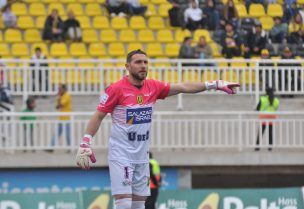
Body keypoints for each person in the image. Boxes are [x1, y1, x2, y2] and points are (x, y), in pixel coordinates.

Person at [75, 49, 240, 209]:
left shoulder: (153, 87)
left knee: (139, 204)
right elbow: (98, 115)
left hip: (142, 156)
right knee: (124, 203)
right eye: (138, 62)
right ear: (127, 66)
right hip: (121, 154)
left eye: (146, 62)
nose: (143, 66)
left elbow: (183, 86)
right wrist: (85, 142)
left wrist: (215, 84)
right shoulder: (116, 89)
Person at [50, 84, 72, 148]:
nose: (59, 90)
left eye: (60, 89)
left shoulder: (67, 96)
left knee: (67, 134)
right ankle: (51, 146)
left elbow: (60, 105)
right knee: (57, 133)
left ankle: (70, 147)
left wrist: (58, 99)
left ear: (64, 89)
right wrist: (59, 99)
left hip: (66, 118)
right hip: (61, 117)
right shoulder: (61, 96)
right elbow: (57, 107)